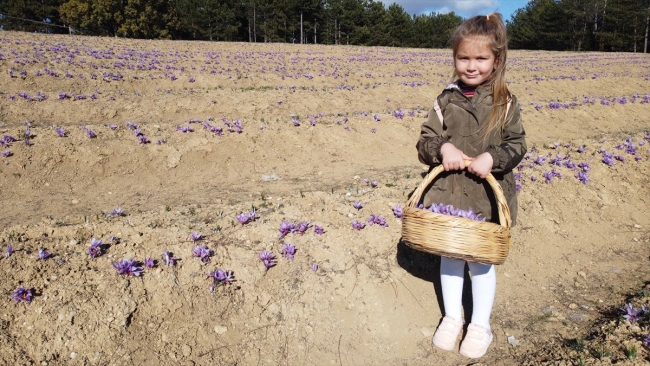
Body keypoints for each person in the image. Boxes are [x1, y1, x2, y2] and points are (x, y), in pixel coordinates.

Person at [415, 12, 526, 358]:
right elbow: (425, 141)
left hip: (485, 199)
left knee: (480, 262)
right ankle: (452, 318)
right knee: (449, 257)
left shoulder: (504, 101)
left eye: (481, 58)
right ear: (454, 58)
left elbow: (517, 143)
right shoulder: (445, 99)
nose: (472, 65)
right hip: (449, 195)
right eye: (464, 58)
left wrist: (492, 158)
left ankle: (480, 325)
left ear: (497, 59)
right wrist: (442, 148)